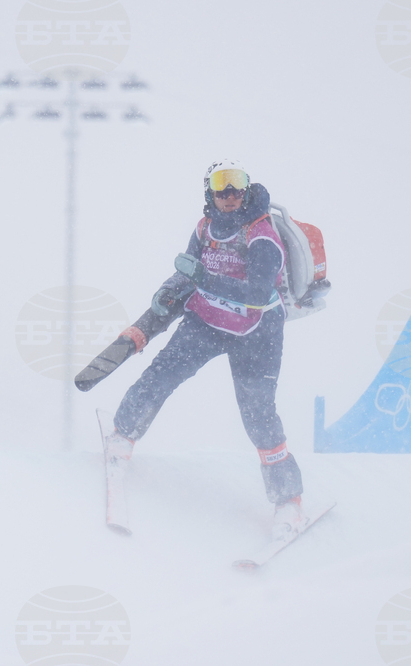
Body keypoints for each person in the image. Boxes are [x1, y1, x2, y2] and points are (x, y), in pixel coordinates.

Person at [105, 159, 306, 537]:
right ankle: (122, 436)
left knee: (258, 415)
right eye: (221, 185)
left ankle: (289, 502)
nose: (229, 194)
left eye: (236, 185)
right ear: (209, 191)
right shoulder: (205, 228)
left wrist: (205, 278)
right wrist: (167, 296)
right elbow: (188, 272)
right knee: (162, 374)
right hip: (207, 320)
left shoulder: (261, 234)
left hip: (256, 332)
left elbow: (258, 296)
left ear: (246, 188)